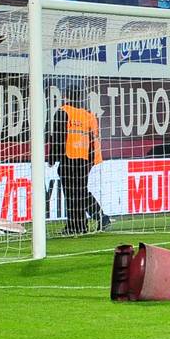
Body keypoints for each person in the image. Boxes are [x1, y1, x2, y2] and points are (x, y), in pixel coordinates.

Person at [48, 86, 108, 235]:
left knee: (72, 193)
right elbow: (94, 139)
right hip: (85, 159)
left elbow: (58, 137)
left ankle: (77, 225)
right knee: (80, 191)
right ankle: (90, 221)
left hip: (69, 157)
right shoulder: (88, 115)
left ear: (66, 96)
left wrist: (52, 158)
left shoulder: (63, 112)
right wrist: (94, 159)